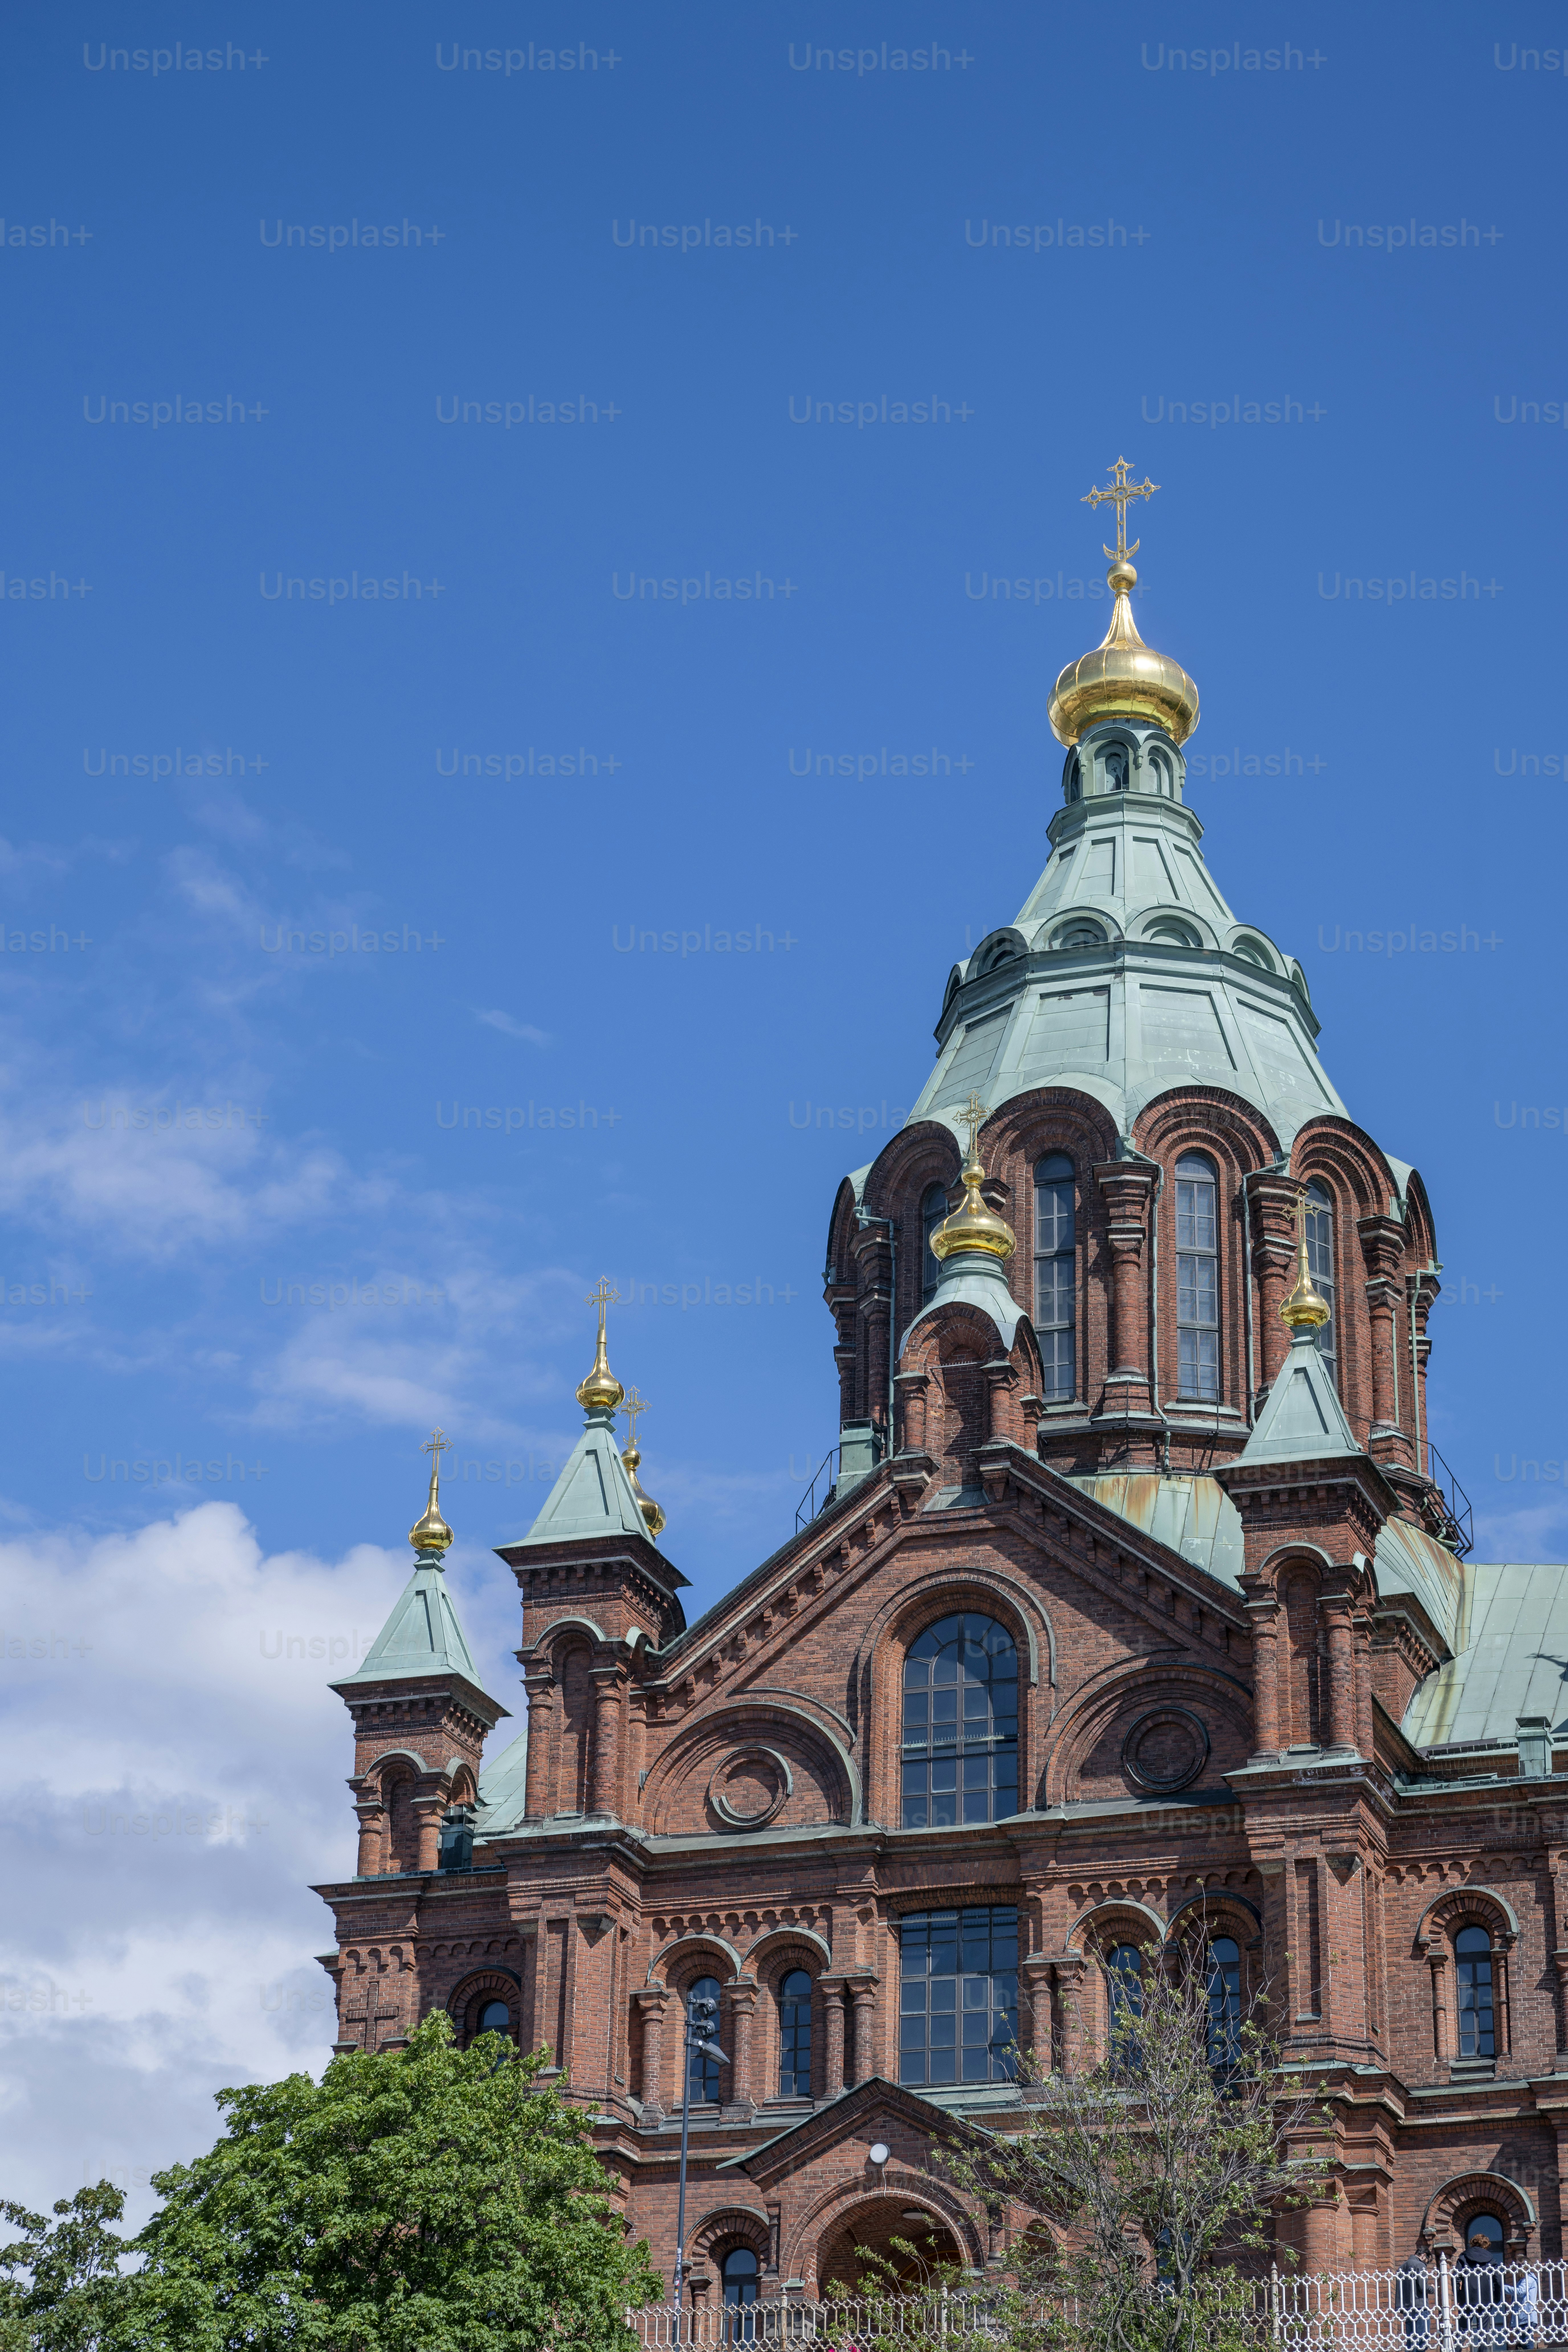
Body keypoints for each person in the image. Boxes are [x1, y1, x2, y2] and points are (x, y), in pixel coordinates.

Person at [1456, 2230, 1505, 2349]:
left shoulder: (1464, 2258)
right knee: (1484, 2330)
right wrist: (1496, 2298)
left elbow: (1456, 2279)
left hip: (1467, 2298)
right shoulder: (1491, 2260)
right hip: (1485, 2298)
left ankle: (1457, 2349)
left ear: (1473, 2244)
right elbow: (1498, 2280)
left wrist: (1459, 2296)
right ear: (1486, 2245)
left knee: (1463, 2328)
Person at [1396, 2253, 1431, 2349]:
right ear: (1424, 2255)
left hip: (1407, 2308)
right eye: (1427, 2262)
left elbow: (1399, 2291)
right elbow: (1423, 2287)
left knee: (1411, 2342)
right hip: (1420, 2307)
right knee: (1422, 2341)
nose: (1426, 2265)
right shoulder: (1420, 2265)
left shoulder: (1401, 2268)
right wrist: (1432, 2288)